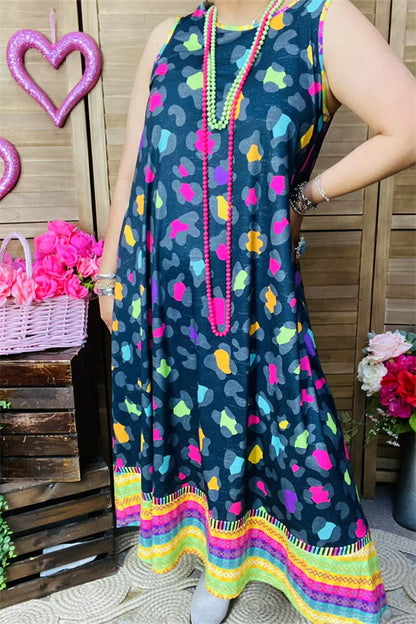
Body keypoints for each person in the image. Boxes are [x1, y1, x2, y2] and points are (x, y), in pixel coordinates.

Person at [96, 1, 416, 623]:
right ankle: (222, 565)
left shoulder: (322, 25)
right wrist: (110, 275)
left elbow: (407, 124)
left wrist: (307, 195)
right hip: (159, 288)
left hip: (255, 292)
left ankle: (332, 585)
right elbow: (134, 165)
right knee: (192, 429)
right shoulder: (169, 37)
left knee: (286, 427)